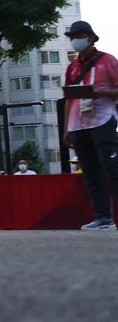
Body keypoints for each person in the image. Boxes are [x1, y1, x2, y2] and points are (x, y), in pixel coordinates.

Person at [61, 21, 118, 230]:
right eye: (72, 36)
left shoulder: (108, 61)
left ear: (92, 37)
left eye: (80, 35)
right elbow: (68, 98)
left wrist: (99, 93)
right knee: (90, 172)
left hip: (103, 119)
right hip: (79, 124)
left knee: (111, 167)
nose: (76, 39)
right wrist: (67, 128)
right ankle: (103, 217)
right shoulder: (72, 67)